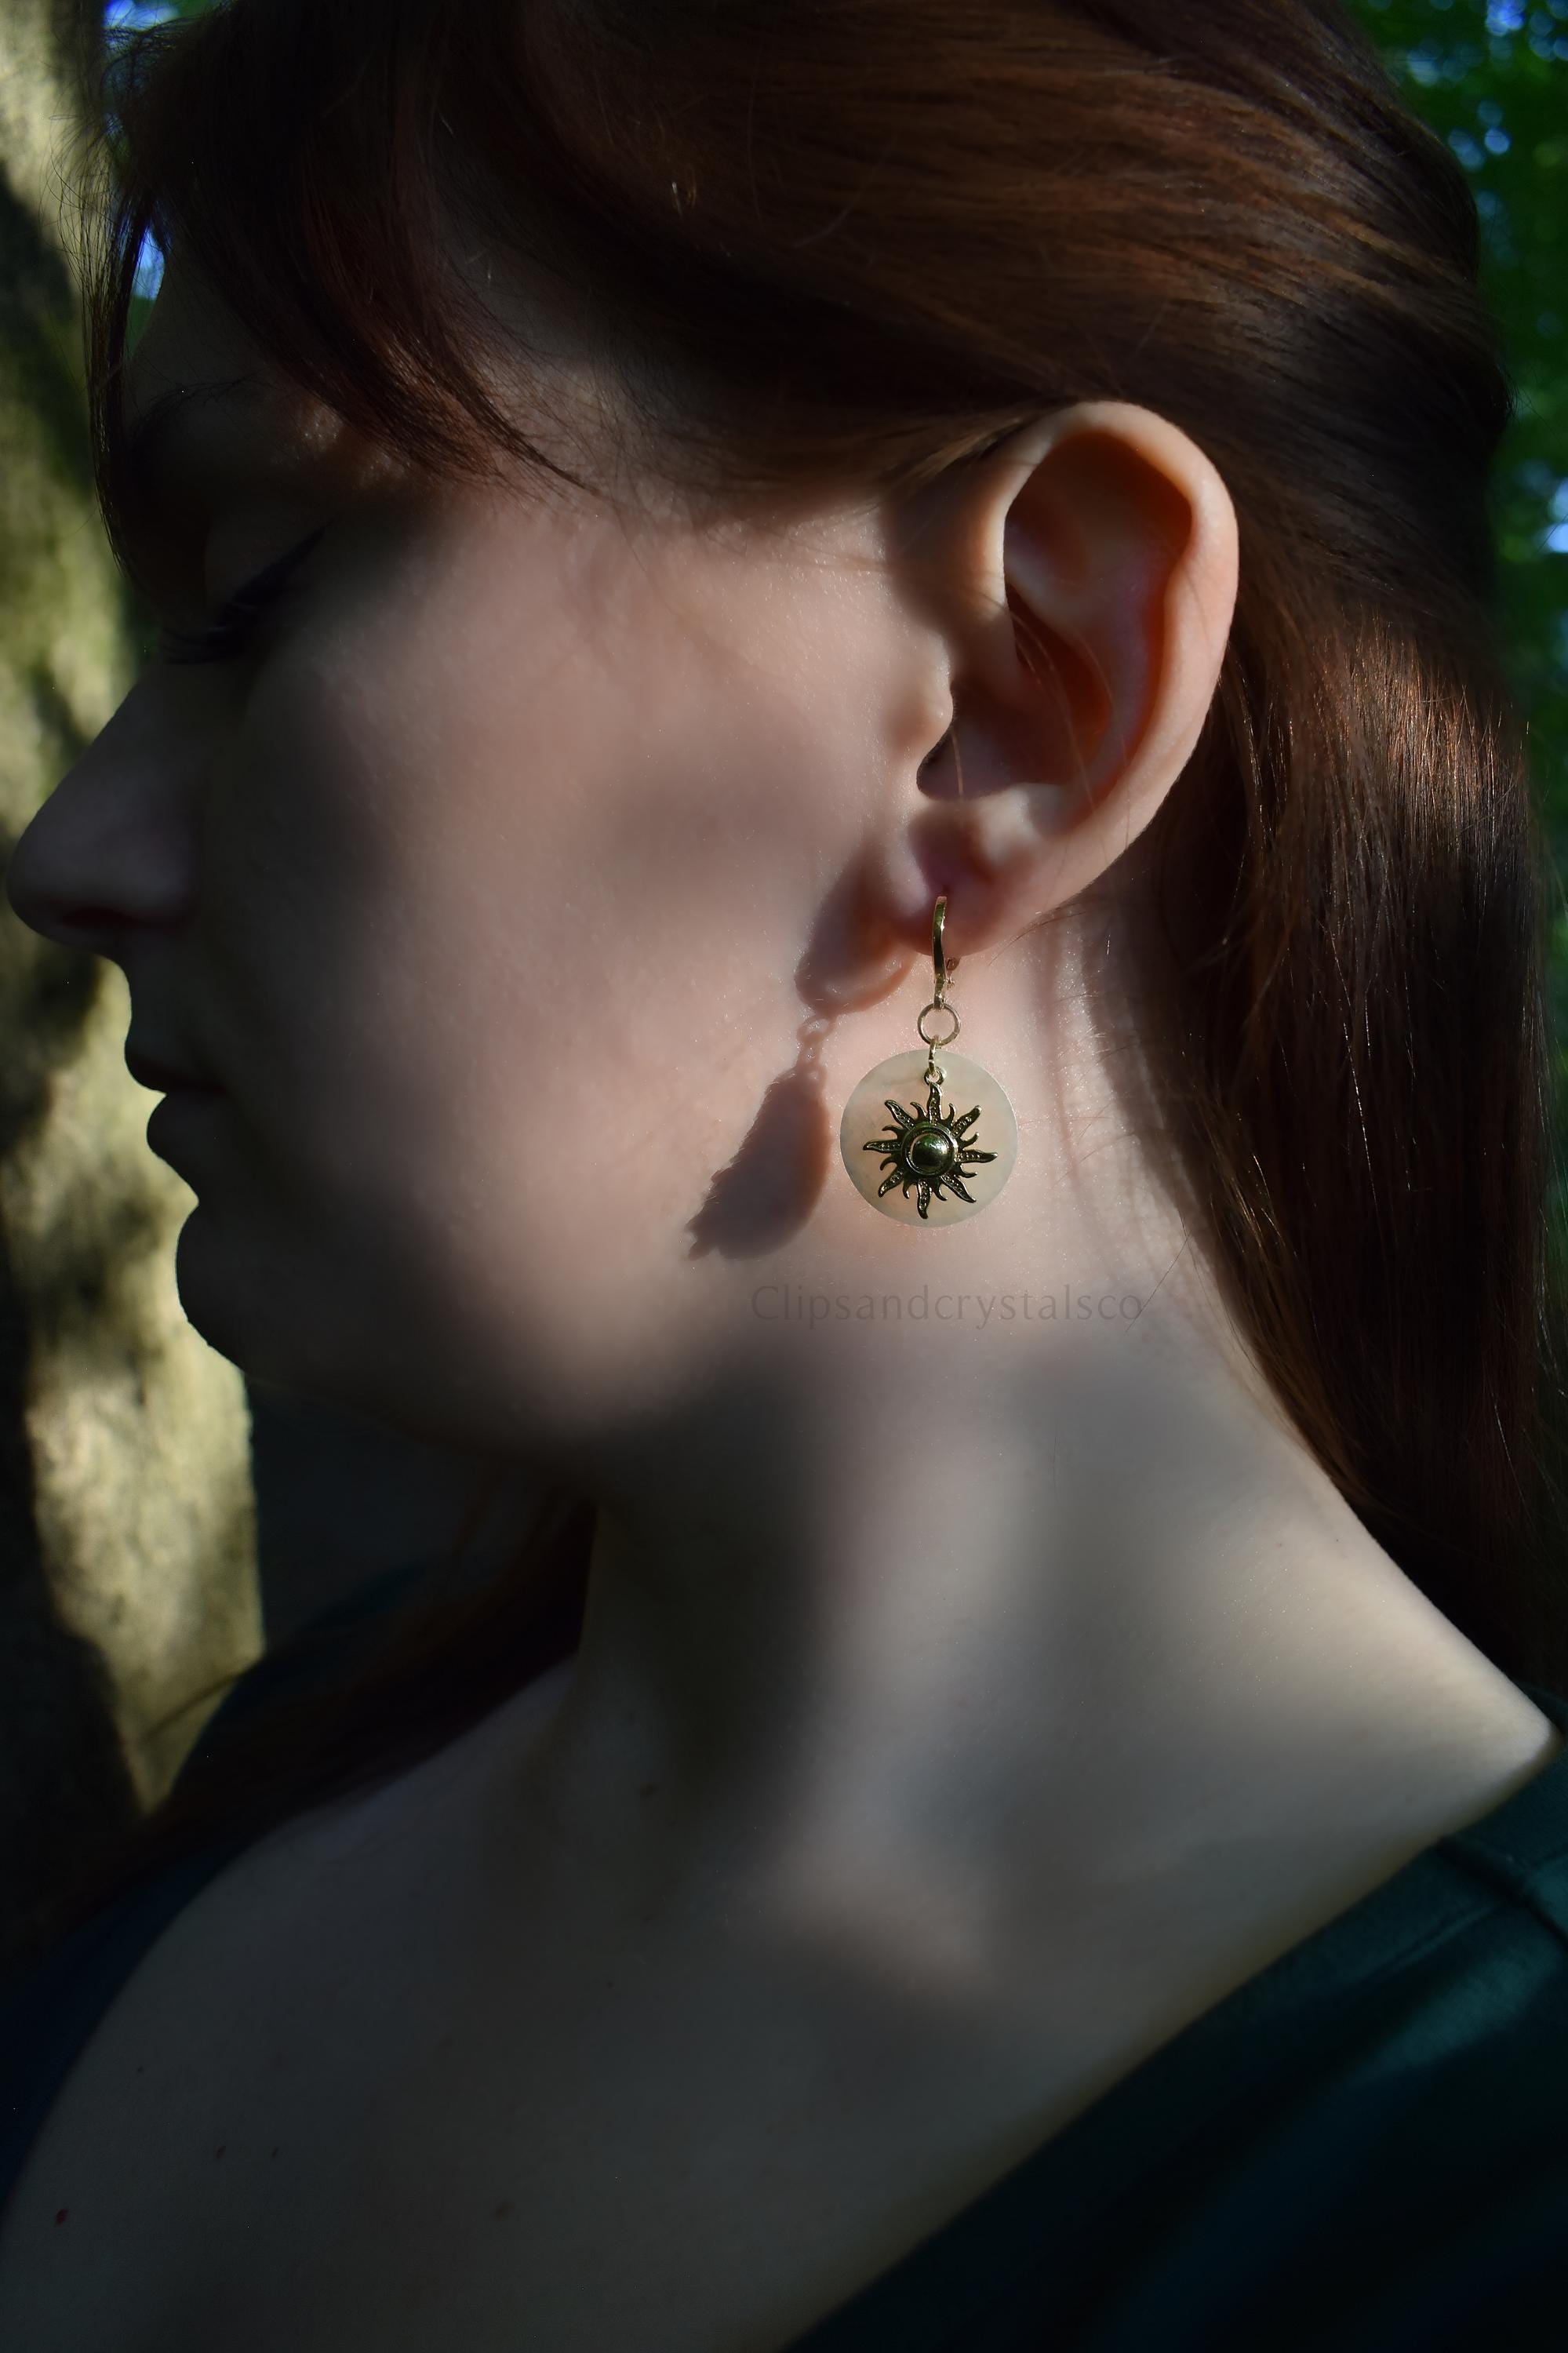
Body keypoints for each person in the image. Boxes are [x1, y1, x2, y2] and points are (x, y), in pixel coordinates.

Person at [2, 0, 1567, 2344]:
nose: (72, 842)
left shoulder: (1480, 2181)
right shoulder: (299, 1754)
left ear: (1014, 696)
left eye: (261, 592)